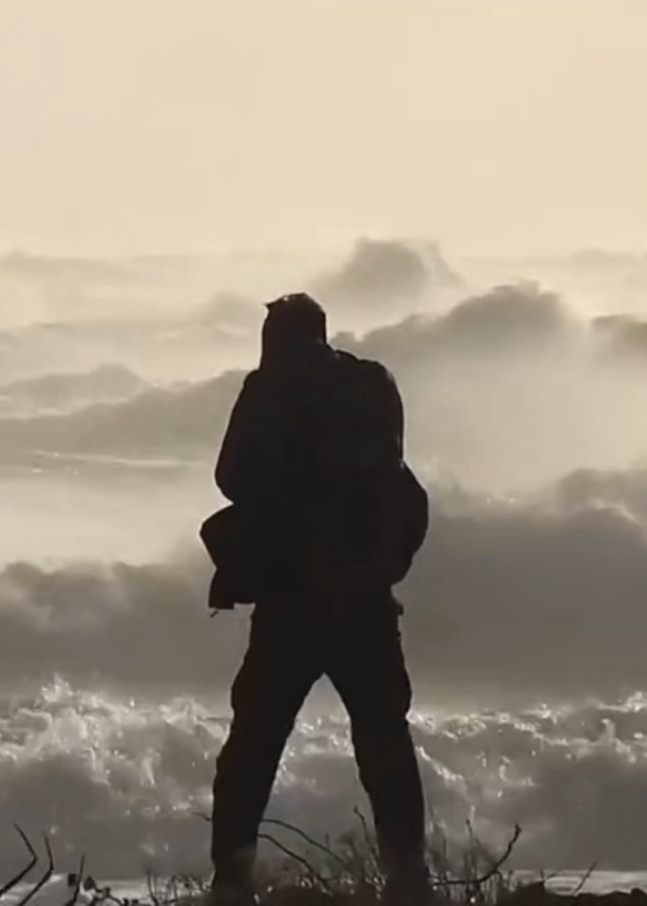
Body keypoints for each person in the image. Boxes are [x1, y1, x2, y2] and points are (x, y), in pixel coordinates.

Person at [207, 292, 430, 902]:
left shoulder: (269, 386)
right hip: (365, 598)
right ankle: (407, 874)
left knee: (253, 745)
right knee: (384, 741)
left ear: (274, 337)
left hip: (292, 599)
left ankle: (232, 878)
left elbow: (230, 476)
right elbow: (394, 465)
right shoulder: (371, 383)